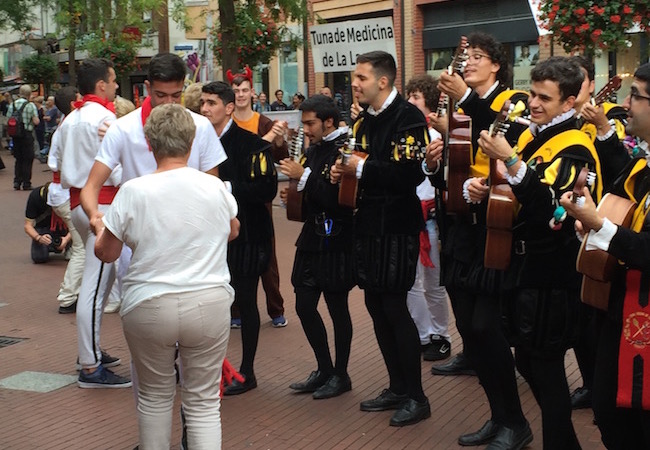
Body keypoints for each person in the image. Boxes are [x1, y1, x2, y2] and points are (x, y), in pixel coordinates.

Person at [95, 103, 239, 449]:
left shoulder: (133, 191)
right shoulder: (215, 188)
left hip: (150, 303)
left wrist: (102, 227)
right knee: (204, 403)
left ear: (150, 143)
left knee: (155, 397)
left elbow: (107, 253)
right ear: (191, 143)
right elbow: (233, 231)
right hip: (208, 299)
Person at [478, 56, 604, 450]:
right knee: (528, 361)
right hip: (525, 269)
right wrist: (487, 188)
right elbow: (517, 192)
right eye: (532, 93)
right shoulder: (535, 135)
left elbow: (556, 213)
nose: (532, 103)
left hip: (552, 276)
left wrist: (512, 163)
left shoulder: (576, 147)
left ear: (568, 103)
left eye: (544, 98)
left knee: (546, 373)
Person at [432, 31, 532, 449]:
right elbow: (451, 171)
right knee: (470, 333)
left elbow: (510, 143)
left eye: (477, 57)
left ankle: (515, 421)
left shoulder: (514, 101)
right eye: (465, 56)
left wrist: (466, 104)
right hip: (460, 228)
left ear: (496, 65)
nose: (467, 62)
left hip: (491, 229)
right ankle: (499, 416)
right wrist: (432, 162)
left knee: (486, 327)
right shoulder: (457, 106)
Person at [330, 51, 430, 427]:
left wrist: (362, 167)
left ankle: (417, 397)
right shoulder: (364, 120)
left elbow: (409, 175)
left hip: (396, 227)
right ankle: (397, 386)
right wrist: (345, 171)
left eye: (360, 78)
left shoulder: (409, 118)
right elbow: (358, 161)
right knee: (375, 305)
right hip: (368, 226)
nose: (353, 84)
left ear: (383, 82)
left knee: (394, 308)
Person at [559, 62, 650, 450]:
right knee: (610, 411)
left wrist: (601, 226)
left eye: (636, 96)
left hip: (641, 319)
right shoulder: (645, 161)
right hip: (625, 307)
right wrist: (593, 223)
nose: (625, 103)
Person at [199, 81, 277, 395]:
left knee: (245, 302)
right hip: (209, 239)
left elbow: (265, 190)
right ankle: (211, 368)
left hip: (248, 236)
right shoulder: (195, 142)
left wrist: (221, 189)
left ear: (229, 108)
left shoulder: (252, 144)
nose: (204, 109)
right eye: (202, 103)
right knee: (211, 304)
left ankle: (247, 371)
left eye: (211, 103)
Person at [56, 58, 129, 388]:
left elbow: (55, 163)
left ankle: (91, 351)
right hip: (102, 205)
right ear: (102, 85)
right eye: (113, 81)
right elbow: (117, 168)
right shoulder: (106, 117)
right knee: (95, 286)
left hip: (79, 204)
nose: (115, 86)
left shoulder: (69, 118)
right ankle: (89, 364)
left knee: (97, 282)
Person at [279, 95, 355, 399]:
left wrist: (304, 178)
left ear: (328, 122)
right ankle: (324, 368)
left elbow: (338, 200)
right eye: (304, 123)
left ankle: (341, 373)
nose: (306, 129)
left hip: (337, 237)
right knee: (303, 304)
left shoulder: (345, 149)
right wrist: (295, 197)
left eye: (310, 123)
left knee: (338, 309)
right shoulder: (316, 148)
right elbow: (315, 193)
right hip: (312, 236)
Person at [567, 55, 631, 411]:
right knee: (583, 311)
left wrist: (604, 126)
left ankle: (600, 386)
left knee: (597, 311)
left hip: (606, 219)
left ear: (592, 85)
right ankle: (593, 382)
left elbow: (621, 169)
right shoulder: (563, 121)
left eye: (579, 80)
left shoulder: (616, 119)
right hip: (578, 220)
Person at [229, 70, 289, 328]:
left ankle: (275, 309)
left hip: (260, 199)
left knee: (267, 256)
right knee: (232, 254)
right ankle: (237, 312)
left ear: (252, 92)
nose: (241, 95)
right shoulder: (226, 123)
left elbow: (280, 155)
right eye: (236, 90)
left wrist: (279, 140)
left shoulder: (263, 122)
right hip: (232, 199)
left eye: (244, 90)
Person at [403, 74, 452, 362]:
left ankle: (441, 335)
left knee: (434, 283)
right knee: (412, 282)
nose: (410, 102)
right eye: (409, 96)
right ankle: (422, 334)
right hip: (412, 216)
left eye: (416, 98)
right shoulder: (408, 133)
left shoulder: (437, 136)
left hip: (431, 218)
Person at [47, 86, 83, 314]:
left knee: (83, 246)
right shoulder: (69, 127)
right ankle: (68, 296)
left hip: (60, 191)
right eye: (80, 100)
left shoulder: (64, 126)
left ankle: (75, 293)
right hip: (64, 192)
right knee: (82, 249)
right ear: (73, 104)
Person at [24, 182, 71, 264]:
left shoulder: (66, 196)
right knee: (39, 257)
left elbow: (76, 224)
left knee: (72, 256)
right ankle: (50, 246)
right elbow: (28, 226)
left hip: (64, 226)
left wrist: (66, 239)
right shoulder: (35, 196)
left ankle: (70, 246)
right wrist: (39, 238)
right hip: (44, 227)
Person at [7, 84, 39, 190]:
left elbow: (8, 119)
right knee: (28, 159)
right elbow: (36, 121)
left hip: (16, 135)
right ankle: (26, 183)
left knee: (18, 159)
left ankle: (17, 181)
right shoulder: (30, 105)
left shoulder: (13, 105)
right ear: (29, 94)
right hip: (27, 135)